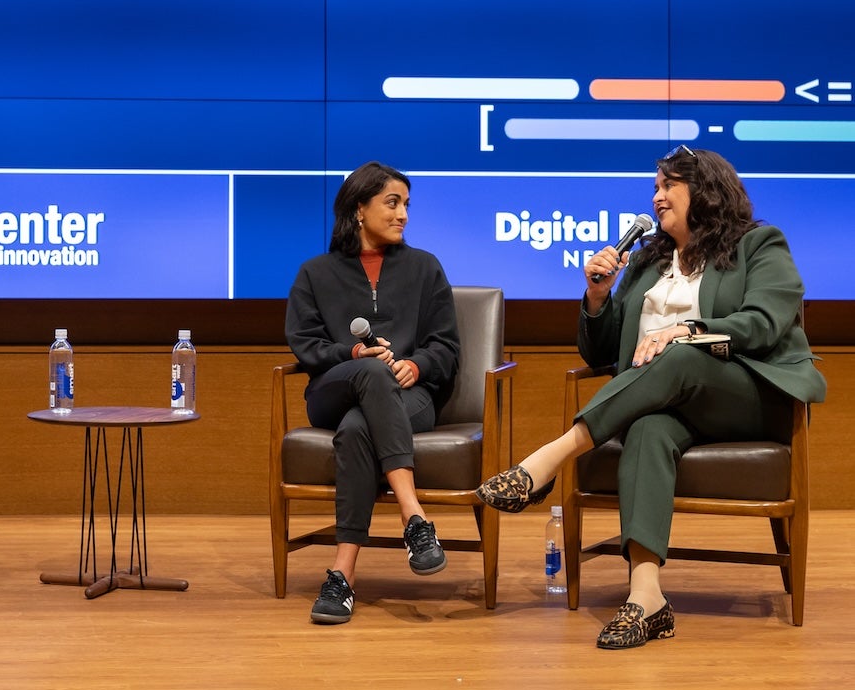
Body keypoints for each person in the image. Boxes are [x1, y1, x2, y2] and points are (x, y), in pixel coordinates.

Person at [478, 146, 826, 649]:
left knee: (681, 354)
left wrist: (689, 329)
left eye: (668, 186)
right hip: (671, 405)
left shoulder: (759, 245)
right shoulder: (646, 263)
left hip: (750, 395)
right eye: (655, 188)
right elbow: (603, 353)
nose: (657, 198)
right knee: (645, 427)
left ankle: (546, 461)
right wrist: (598, 297)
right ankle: (647, 599)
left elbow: (764, 323)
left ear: (704, 191)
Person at [286, 162, 461, 625]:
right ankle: (413, 516)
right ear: (359, 209)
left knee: (359, 428)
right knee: (368, 372)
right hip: (333, 389)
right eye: (392, 202)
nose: (403, 214)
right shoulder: (315, 272)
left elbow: (446, 346)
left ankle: (341, 576)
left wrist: (415, 364)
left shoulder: (425, 268)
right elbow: (305, 345)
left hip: (410, 394)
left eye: (406, 204)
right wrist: (355, 351)